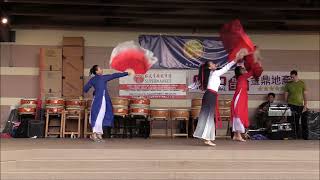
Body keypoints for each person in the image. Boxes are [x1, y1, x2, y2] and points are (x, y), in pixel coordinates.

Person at [193, 55, 242, 146]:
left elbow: (197, 84)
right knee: (209, 117)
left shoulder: (211, 74)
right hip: (210, 96)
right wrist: (234, 60)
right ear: (209, 67)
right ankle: (207, 138)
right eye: (212, 63)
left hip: (210, 95)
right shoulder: (214, 73)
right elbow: (226, 68)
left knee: (208, 116)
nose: (214, 64)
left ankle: (206, 137)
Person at [84, 65, 134, 142]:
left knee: (101, 116)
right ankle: (94, 134)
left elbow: (85, 88)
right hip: (99, 100)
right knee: (98, 116)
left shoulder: (93, 80)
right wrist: (127, 73)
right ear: (97, 71)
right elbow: (114, 75)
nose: (102, 69)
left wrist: (95, 91)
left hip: (101, 100)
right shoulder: (102, 78)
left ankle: (99, 134)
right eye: (100, 68)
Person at [231, 60, 261, 142]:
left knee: (238, 115)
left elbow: (251, 72)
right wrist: (255, 63)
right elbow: (251, 72)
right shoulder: (242, 77)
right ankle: (239, 135)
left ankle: (235, 135)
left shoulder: (242, 78)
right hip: (239, 97)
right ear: (239, 72)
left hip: (242, 97)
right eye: (242, 69)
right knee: (238, 115)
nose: (244, 70)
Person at [284, 70, 307, 139]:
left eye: (293, 77)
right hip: (291, 104)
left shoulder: (302, 83)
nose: (292, 78)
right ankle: (291, 135)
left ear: (296, 76)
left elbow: (305, 95)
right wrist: (287, 104)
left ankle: (297, 135)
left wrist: (305, 105)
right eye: (291, 77)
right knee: (290, 120)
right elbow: (285, 95)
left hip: (300, 105)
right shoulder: (288, 84)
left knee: (298, 120)